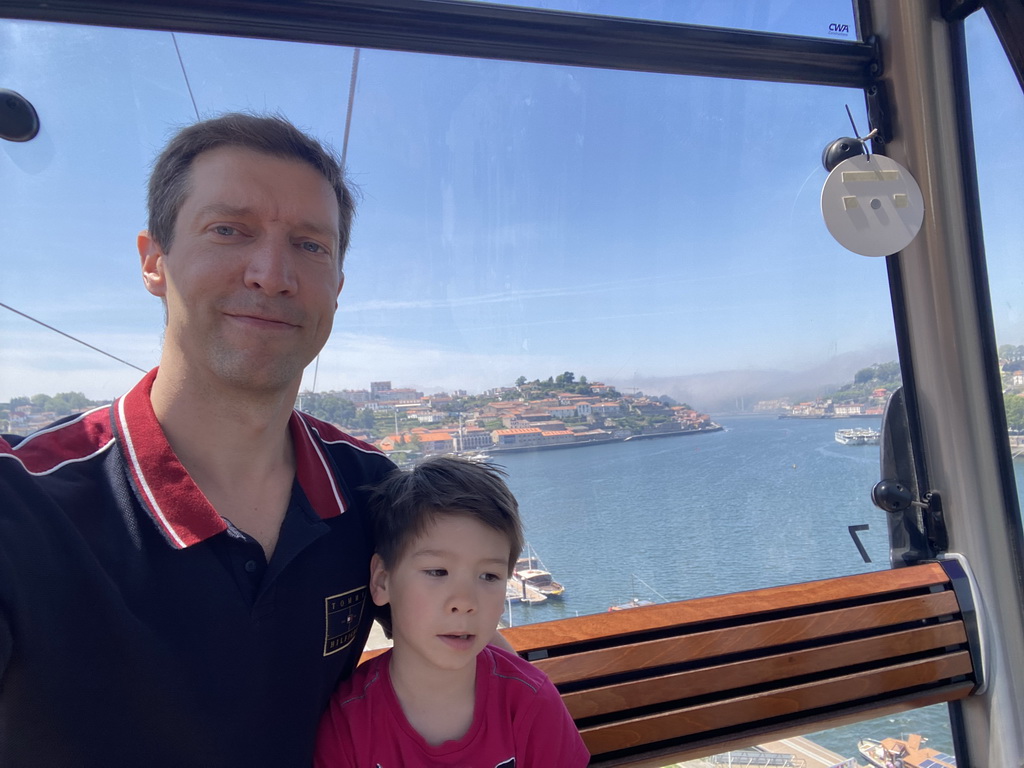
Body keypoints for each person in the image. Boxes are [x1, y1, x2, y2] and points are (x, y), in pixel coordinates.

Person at [0, 113, 396, 766]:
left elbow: (471, 672)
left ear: (338, 288)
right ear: (153, 260)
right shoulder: (25, 505)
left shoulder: (371, 488)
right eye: (229, 230)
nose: (272, 274)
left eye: (310, 245)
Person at [313, 456, 590, 768]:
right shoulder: (349, 721)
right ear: (382, 580)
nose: (465, 601)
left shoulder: (529, 702)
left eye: (489, 576)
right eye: (437, 571)